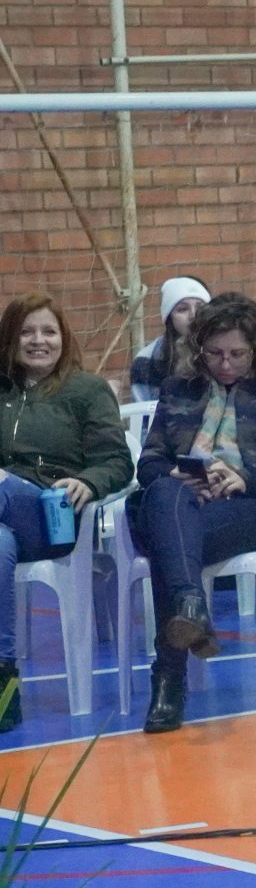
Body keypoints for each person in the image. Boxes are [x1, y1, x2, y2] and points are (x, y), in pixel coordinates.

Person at [131, 294, 256, 733]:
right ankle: (191, 605)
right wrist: (178, 472)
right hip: (181, 499)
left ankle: (169, 676)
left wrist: (246, 478)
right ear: (199, 350)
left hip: (249, 505)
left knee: (168, 541)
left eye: (237, 353)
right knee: (166, 499)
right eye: (214, 354)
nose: (226, 364)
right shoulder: (178, 388)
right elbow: (149, 463)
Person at [0, 292, 133, 729]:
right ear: (10, 338)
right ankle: (4, 684)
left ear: (64, 338)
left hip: (53, 515)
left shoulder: (87, 391)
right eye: (27, 332)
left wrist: (88, 482)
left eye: (49, 331)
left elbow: (117, 461)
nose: (38, 341)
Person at [128, 275, 209, 404]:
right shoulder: (146, 360)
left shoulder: (223, 352)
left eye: (201, 307)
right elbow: (143, 412)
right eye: (183, 309)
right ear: (169, 317)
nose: (193, 315)